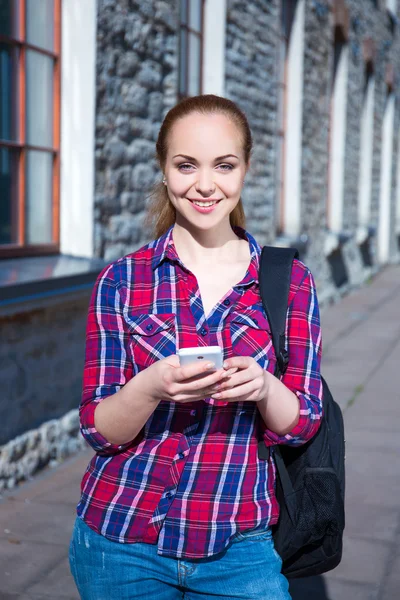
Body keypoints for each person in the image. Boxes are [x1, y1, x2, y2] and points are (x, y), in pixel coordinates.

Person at [68, 94, 323, 600]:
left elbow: (303, 422)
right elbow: (98, 430)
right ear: (165, 170)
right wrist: (150, 386)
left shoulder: (288, 281)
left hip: (239, 546)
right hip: (120, 540)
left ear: (246, 169)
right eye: (186, 165)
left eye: (223, 165)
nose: (205, 185)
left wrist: (263, 385)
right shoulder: (122, 282)